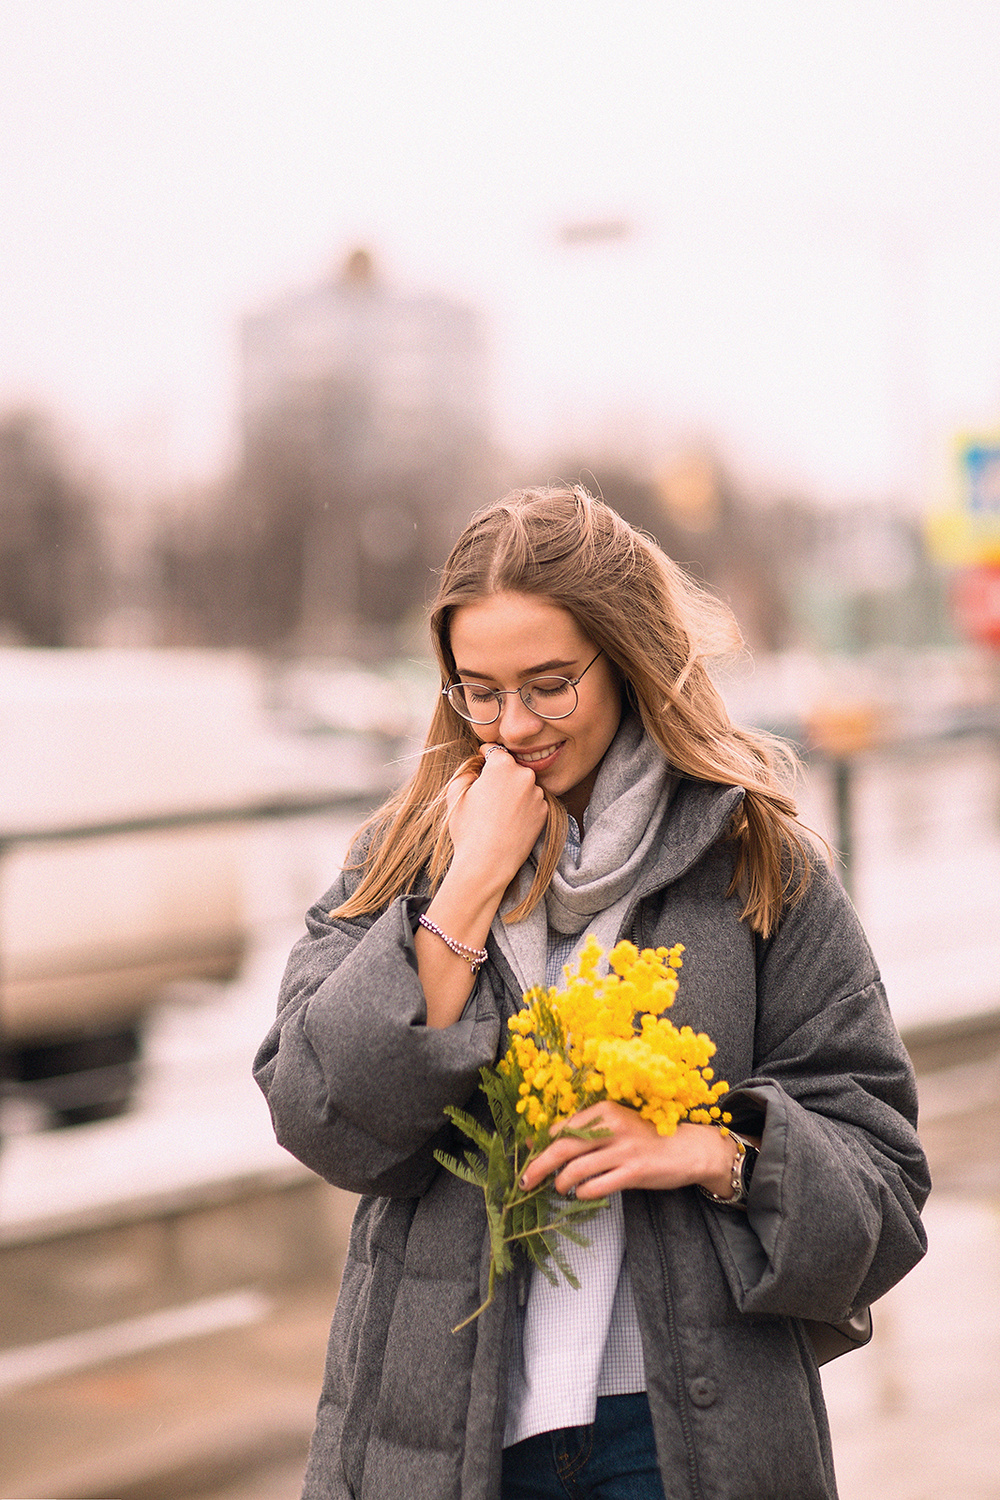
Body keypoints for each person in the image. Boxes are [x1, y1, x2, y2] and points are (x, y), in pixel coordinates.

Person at [254, 485, 929, 1500]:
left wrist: (715, 1149)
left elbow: (886, 1187)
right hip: (441, 1444)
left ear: (627, 659)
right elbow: (320, 1117)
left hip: (680, 1442)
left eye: (549, 685)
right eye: (477, 690)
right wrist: (467, 884)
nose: (512, 724)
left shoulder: (758, 862)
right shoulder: (398, 858)